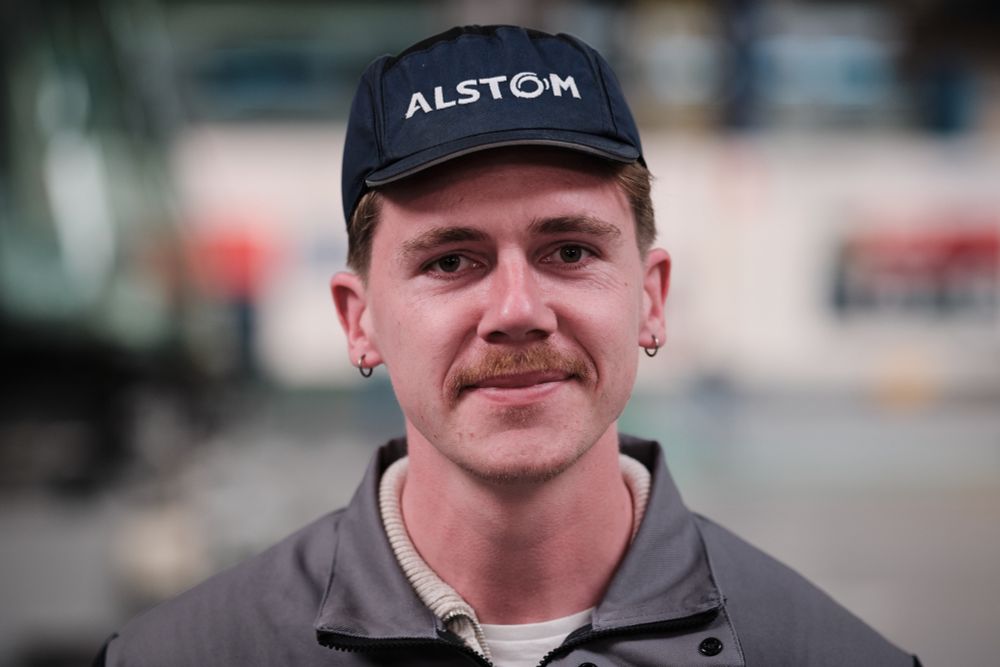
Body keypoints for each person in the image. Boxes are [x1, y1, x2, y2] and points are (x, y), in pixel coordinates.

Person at [95, 25, 920, 666]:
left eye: (570, 251)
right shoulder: (184, 654)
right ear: (359, 319)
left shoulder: (825, 654)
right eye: (452, 260)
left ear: (652, 298)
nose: (518, 311)